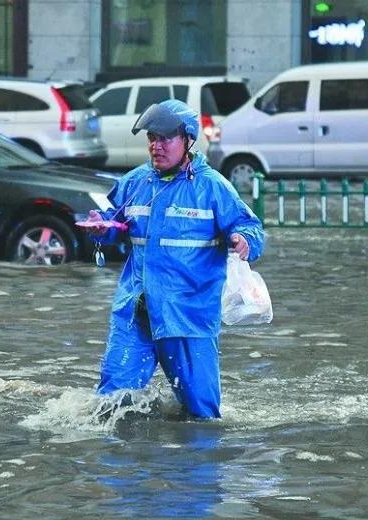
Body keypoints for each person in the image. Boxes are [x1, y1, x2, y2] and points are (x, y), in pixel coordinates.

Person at [89, 99, 264, 419]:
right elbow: (114, 222)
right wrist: (102, 228)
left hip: (188, 317)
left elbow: (250, 228)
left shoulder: (213, 187)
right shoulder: (135, 182)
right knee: (111, 406)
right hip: (136, 311)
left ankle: (191, 467)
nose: (156, 146)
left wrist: (243, 241)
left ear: (188, 140)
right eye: (151, 139)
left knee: (202, 416)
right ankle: (118, 465)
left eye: (165, 138)